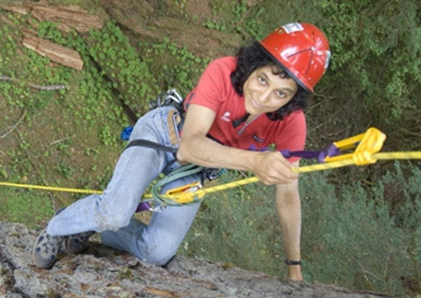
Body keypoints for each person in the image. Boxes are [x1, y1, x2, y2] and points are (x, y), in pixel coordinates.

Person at [33, 22, 330, 281]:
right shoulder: (224, 71)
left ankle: (94, 223)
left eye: (281, 93)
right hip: (164, 132)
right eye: (263, 79)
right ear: (253, 65)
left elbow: (288, 196)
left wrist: (294, 267)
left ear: (293, 99)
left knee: (155, 252)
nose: (264, 97)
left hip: (197, 170)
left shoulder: (290, 122)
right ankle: (60, 227)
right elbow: (190, 146)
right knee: (115, 209)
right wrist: (255, 160)